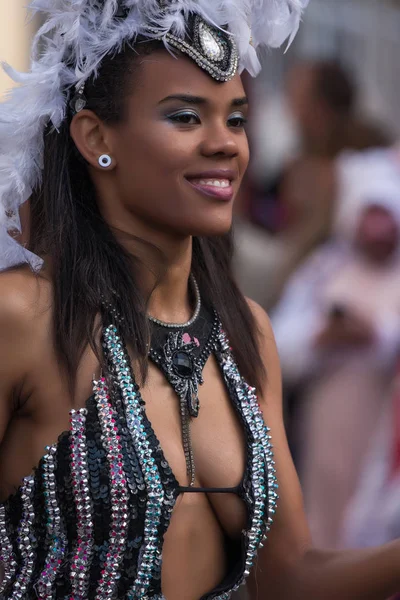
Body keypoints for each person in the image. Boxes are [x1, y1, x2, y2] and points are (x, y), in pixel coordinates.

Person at [2, 3, 400, 600]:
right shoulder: (24, 319)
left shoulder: (247, 332)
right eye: (186, 117)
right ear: (95, 137)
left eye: (236, 120)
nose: (225, 145)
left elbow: (287, 580)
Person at [272, 149, 400, 549]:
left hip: (385, 424)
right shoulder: (325, 269)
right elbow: (277, 343)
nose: (378, 229)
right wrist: (321, 337)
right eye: (370, 214)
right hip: (327, 423)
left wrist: (376, 337)